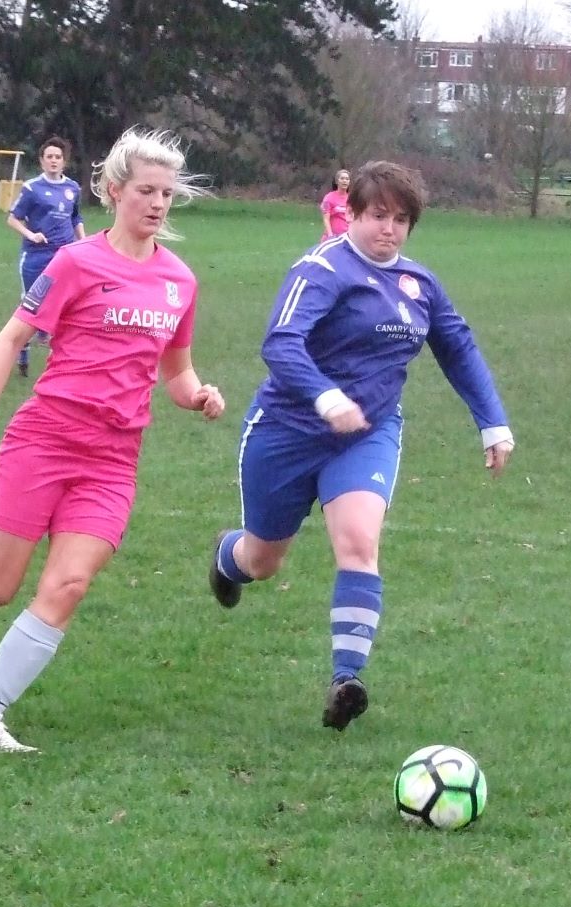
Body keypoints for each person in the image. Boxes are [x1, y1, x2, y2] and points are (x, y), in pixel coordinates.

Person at [0, 127, 226, 752]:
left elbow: (177, 370)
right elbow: (10, 341)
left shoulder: (179, 282)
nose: (159, 203)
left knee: (69, 584)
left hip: (113, 458)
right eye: (146, 190)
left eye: (167, 193)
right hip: (46, 439)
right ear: (114, 192)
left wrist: (197, 394)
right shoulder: (75, 262)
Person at [207, 160, 515, 732]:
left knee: (358, 542)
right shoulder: (322, 269)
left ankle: (346, 678)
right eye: (378, 216)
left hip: (366, 436)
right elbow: (281, 343)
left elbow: (458, 347)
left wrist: (492, 422)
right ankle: (229, 558)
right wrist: (325, 398)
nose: (389, 230)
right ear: (352, 214)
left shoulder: (419, 285)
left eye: (401, 220)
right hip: (287, 433)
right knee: (264, 560)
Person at [7, 136, 86, 377]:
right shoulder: (32, 188)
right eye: (49, 157)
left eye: (58, 157)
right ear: (42, 161)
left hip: (64, 255)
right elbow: (12, 218)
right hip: (35, 256)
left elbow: (75, 218)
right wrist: (30, 235)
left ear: (64, 162)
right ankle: (23, 354)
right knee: (30, 305)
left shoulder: (72, 188)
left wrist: (83, 240)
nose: (53, 161)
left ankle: (60, 362)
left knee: (65, 305)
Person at [320, 168, 351, 240]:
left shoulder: (351, 198)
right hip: (332, 237)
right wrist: (330, 235)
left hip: (347, 237)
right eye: (342, 178)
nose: (345, 181)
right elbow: (326, 219)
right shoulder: (329, 197)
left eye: (347, 179)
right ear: (337, 181)